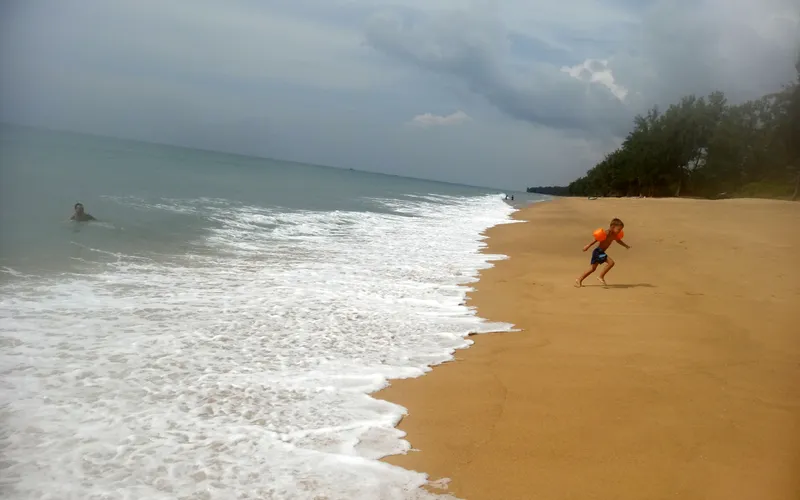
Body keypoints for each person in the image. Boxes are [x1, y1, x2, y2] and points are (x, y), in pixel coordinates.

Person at [575, 218, 630, 287]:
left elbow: (618, 241)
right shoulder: (607, 233)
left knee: (592, 268)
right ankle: (601, 276)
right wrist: (588, 246)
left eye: (621, 229)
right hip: (598, 252)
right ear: (612, 227)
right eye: (619, 229)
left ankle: (579, 279)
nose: (620, 231)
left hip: (600, 252)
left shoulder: (614, 235)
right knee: (611, 263)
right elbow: (596, 239)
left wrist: (625, 246)